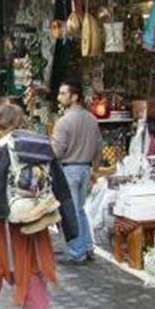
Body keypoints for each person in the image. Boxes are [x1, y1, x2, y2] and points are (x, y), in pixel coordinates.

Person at [0, 103, 77, 309]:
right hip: (35, 214)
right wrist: (69, 224)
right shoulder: (39, 144)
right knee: (33, 262)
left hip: (3, 217)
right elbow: (58, 182)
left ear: (3, 122)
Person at [52, 79, 103, 265]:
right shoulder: (91, 119)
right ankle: (87, 246)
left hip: (70, 169)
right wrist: (95, 169)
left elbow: (57, 151)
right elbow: (99, 146)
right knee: (80, 210)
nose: (59, 97)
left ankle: (77, 251)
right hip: (85, 168)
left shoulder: (64, 122)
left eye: (63, 94)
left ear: (74, 97)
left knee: (70, 212)